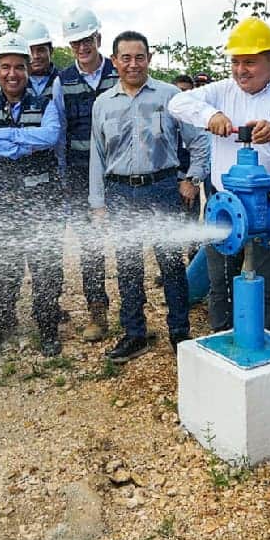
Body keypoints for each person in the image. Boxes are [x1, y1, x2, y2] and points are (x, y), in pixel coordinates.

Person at [169, 17, 270, 333]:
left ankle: (266, 343)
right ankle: (223, 339)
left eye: (249, 62)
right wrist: (210, 114)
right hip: (225, 204)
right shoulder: (221, 92)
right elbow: (177, 102)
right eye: (235, 62)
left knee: (268, 286)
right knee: (220, 283)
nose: (240, 70)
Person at [89, 31, 209, 362]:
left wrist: (192, 179)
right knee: (128, 266)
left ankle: (179, 332)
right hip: (120, 192)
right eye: (125, 58)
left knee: (171, 264)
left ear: (149, 59)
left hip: (163, 189)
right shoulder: (103, 103)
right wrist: (98, 203)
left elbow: (200, 142)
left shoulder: (171, 96)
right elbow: (97, 156)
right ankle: (135, 334)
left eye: (139, 57)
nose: (133, 64)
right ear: (114, 61)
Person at [0, 32, 65, 358]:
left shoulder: (45, 105)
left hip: (40, 204)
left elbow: (50, 136)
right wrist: (23, 141)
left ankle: (48, 330)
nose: (12, 74)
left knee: (46, 269)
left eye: (19, 67)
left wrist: (5, 137)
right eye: (5, 67)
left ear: (28, 69)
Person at [56, 7, 119, 342]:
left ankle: (134, 315)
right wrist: (64, 177)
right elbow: (60, 132)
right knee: (90, 248)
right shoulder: (63, 81)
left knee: (128, 243)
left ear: (98, 38)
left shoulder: (119, 72)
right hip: (80, 175)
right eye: (75, 42)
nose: (82, 47)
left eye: (87, 40)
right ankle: (98, 313)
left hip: (120, 173)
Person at [19, 19, 61, 102]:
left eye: (41, 50)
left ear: (51, 51)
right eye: (30, 51)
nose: (35, 56)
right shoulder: (14, 83)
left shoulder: (66, 81)